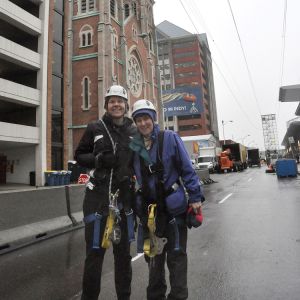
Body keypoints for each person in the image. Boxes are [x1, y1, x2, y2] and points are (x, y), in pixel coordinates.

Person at [129, 99, 205, 300]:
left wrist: (195, 197)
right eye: (139, 120)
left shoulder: (170, 138)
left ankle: (178, 296)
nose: (143, 123)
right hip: (149, 214)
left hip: (173, 210)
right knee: (153, 261)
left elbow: (187, 168)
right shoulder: (134, 147)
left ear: (153, 119)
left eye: (146, 118)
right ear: (135, 123)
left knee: (177, 258)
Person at [75, 85, 136, 300]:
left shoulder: (134, 130)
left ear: (126, 105)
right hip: (97, 201)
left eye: (120, 100)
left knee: (123, 257)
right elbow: (79, 155)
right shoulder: (95, 127)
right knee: (94, 256)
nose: (116, 104)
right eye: (112, 101)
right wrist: (98, 160)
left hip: (124, 204)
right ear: (106, 105)